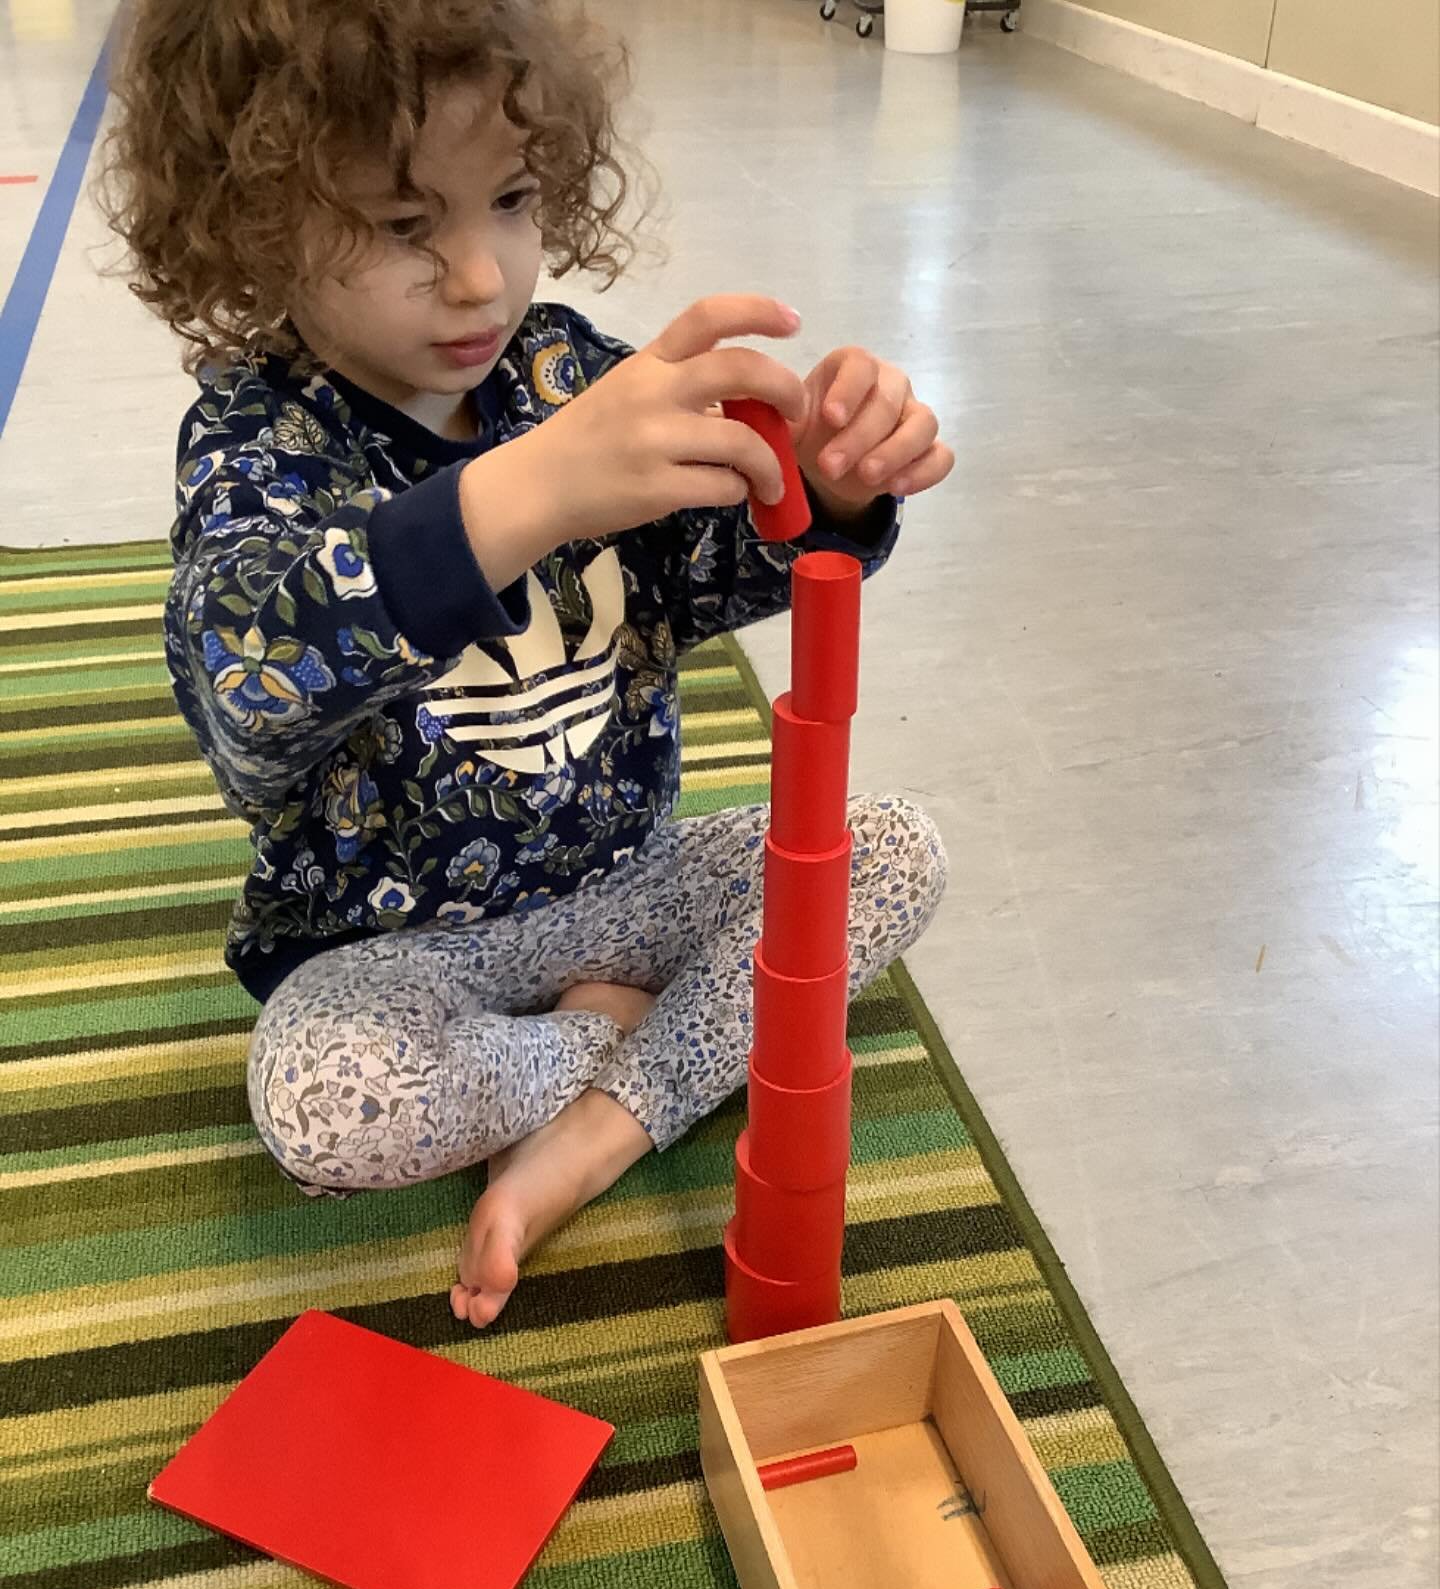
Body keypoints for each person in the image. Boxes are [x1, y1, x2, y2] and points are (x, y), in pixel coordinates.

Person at [102, 0, 954, 1329]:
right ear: (257, 223)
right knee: (319, 1102)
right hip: (397, 944)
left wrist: (828, 495)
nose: (480, 279)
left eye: (508, 198)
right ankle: (615, 1048)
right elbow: (246, 682)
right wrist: (530, 494)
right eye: (400, 225)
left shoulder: (567, 370)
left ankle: (605, 1119)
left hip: (629, 885)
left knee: (895, 852)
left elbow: (697, 570)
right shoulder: (259, 435)